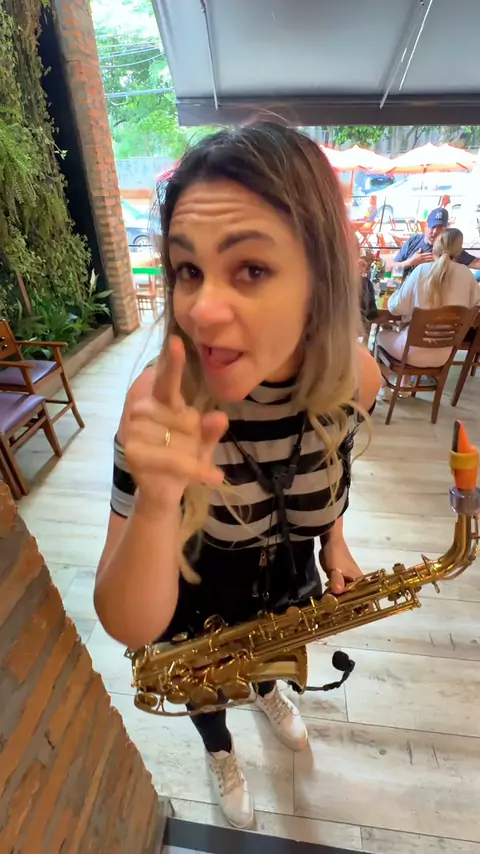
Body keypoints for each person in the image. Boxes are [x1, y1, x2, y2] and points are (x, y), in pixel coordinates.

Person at [94, 124, 381, 830]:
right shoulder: (159, 407)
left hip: (287, 579)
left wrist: (334, 540)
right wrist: (158, 501)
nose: (200, 310)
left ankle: (266, 688)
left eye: (251, 268)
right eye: (188, 270)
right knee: (207, 690)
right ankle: (219, 747)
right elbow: (126, 622)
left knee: (265, 661)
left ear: (322, 276)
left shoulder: (356, 381)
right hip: (198, 589)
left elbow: (331, 461)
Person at [377, 227, 480, 373]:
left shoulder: (421, 270)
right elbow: (475, 308)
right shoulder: (467, 275)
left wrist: (395, 294)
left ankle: (381, 385)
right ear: (459, 252)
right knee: (404, 332)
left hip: (410, 352)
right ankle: (405, 384)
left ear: (434, 248)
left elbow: (395, 308)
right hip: (444, 355)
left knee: (381, 334)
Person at [386, 207, 480, 280]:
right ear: (426, 225)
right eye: (433, 226)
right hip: (405, 291)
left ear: (445, 229)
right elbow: (389, 268)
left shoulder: (449, 246)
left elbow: (476, 263)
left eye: (440, 227)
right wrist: (410, 262)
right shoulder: (414, 241)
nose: (435, 231)